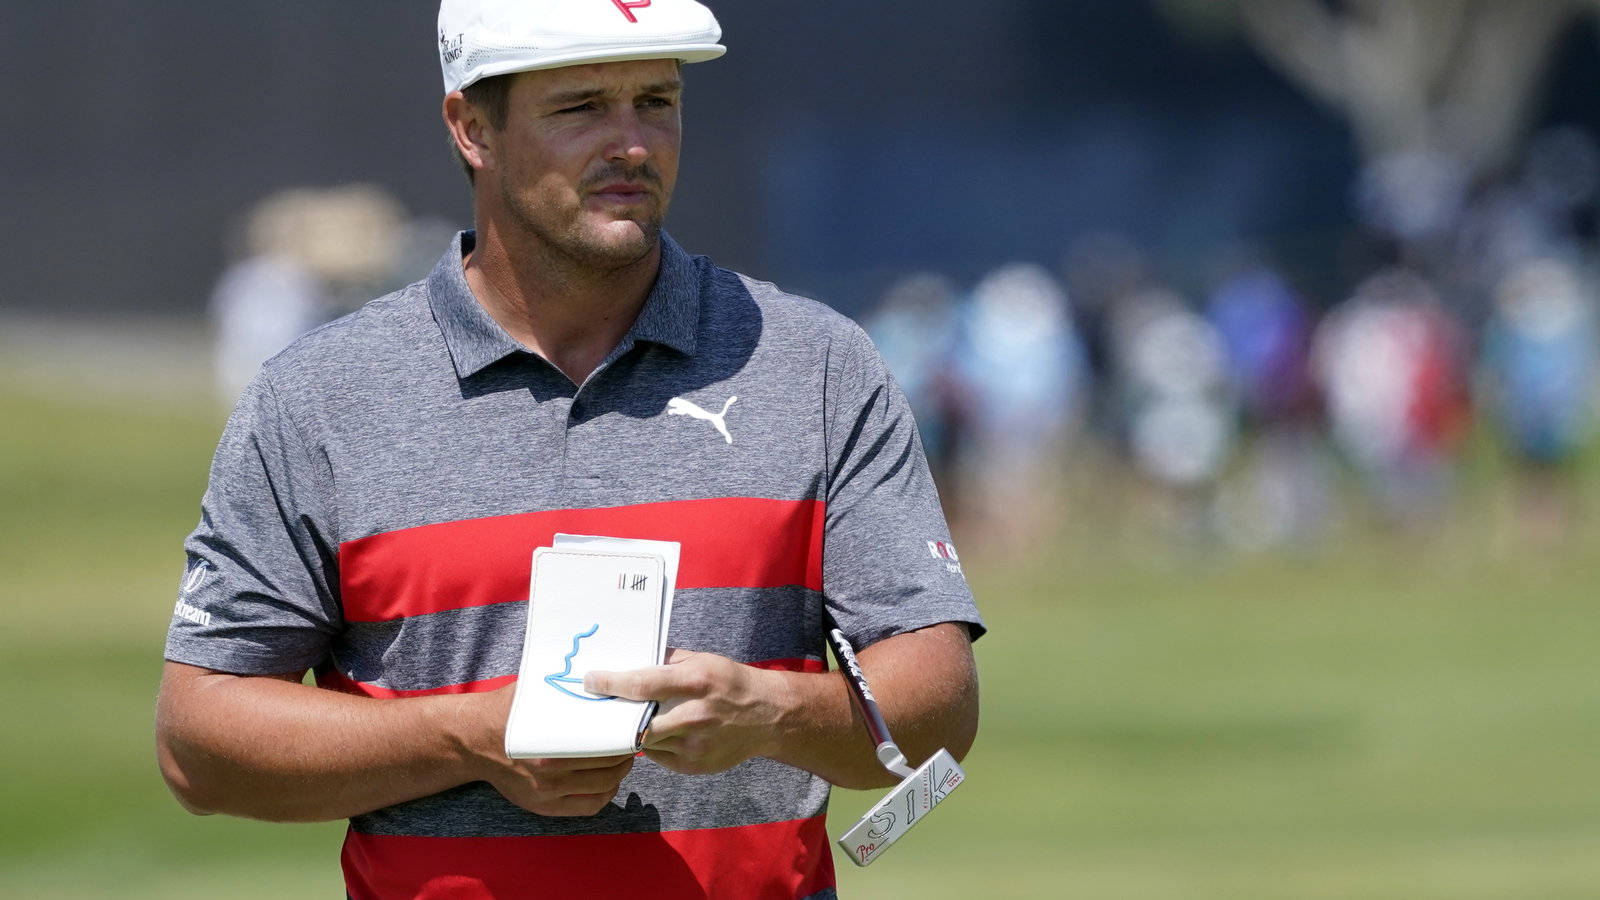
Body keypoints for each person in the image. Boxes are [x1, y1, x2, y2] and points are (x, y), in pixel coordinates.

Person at [154, 2, 982, 898]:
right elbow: (201, 744)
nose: (632, 142)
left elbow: (940, 707)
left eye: (656, 101)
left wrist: (774, 711)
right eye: (582, 106)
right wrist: (470, 735)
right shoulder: (318, 397)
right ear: (472, 126)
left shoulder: (816, 364)